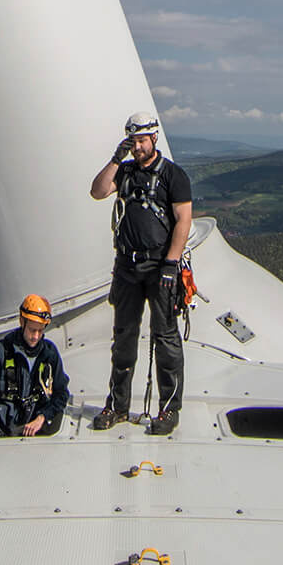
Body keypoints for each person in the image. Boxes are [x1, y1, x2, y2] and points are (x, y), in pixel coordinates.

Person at [88, 111, 192, 435]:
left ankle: (168, 410)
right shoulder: (126, 171)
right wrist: (116, 159)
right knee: (124, 338)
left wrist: (171, 264)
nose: (138, 147)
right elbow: (98, 190)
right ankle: (118, 406)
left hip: (159, 266)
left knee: (166, 340)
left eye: (142, 140)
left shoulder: (174, 176)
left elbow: (184, 221)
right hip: (127, 267)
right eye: (133, 141)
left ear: (154, 139)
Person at [0, 293, 69, 438]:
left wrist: (42, 418)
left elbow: (62, 394)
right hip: (1, 433)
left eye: (40, 331)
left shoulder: (49, 354)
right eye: (32, 330)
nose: (35, 336)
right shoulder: (1, 352)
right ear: (22, 322)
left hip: (32, 433)